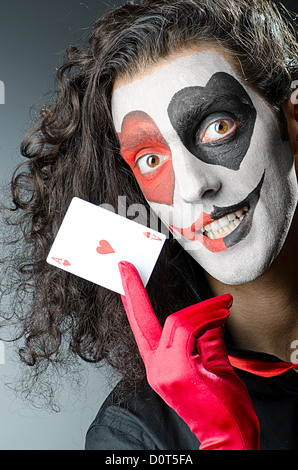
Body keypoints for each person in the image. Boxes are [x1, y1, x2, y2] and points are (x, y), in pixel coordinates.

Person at [1, 0, 297, 450]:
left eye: (217, 125)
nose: (195, 186)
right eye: (151, 159)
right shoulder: (133, 436)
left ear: (291, 120)